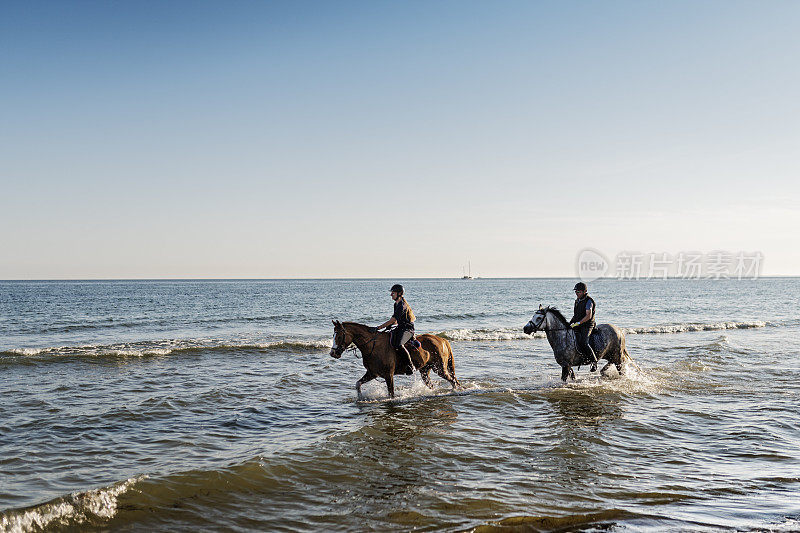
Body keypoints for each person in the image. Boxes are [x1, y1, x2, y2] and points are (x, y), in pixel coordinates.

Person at [377, 284, 416, 375]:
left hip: (408, 329)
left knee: (398, 344)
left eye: (393, 293)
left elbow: (392, 320)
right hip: (400, 327)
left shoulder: (401, 305)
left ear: (399, 293)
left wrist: (378, 328)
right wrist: (389, 326)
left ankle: (411, 365)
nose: (391, 295)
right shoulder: (396, 304)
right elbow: (396, 321)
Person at [569, 282, 598, 372]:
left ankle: (594, 362)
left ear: (585, 291)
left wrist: (578, 323)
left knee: (584, 342)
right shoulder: (577, 301)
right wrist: (569, 323)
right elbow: (576, 314)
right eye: (576, 292)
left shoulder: (589, 301)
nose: (577, 293)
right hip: (578, 323)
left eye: (579, 292)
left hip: (588, 324)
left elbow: (588, 316)